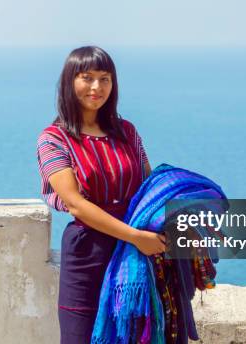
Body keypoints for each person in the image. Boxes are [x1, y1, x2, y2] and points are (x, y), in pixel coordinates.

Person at [36, 46, 167, 343]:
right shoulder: (54, 139)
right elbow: (76, 205)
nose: (97, 87)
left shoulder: (127, 132)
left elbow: (149, 186)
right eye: (87, 77)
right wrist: (135, 237)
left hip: (135, 255)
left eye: (105, 78)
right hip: (88, 254)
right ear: (70, 81)